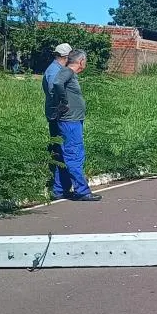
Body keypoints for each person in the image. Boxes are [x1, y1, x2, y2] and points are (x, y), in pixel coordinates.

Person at [49, 49, 101, 201]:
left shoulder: (69, 73)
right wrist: (64, 101)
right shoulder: (68, 72)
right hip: (70, 121)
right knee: (74, 154)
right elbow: (57, 83)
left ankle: (60, 189)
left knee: (65, 154)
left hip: (72, 120)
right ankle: (82, 191)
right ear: (81, 61)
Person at [43, 43, 72, 198]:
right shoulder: (55, 71)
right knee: (59, 148)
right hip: (57, 115)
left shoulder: (56, 69)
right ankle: (59, 185)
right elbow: (54, 90)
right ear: (66, 57)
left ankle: (61, 184)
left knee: (59, 147)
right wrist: (64, 104)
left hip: (56, 113)